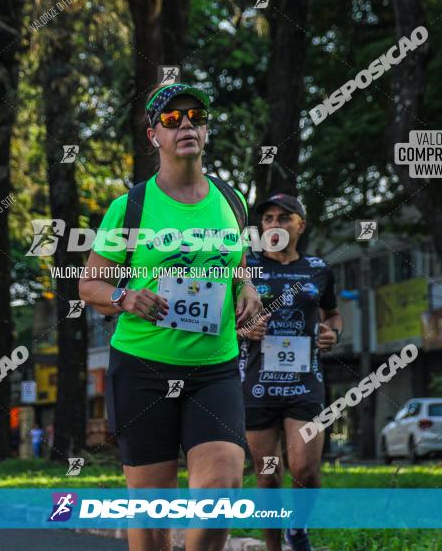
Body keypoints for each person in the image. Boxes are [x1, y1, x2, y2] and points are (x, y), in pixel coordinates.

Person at [79, 83, 262, 551]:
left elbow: (236, 262)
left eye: (195, 116)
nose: (185, 125)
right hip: (142, 367)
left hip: (214, 368)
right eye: (171, 119)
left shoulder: (232, 200)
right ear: (152, 135)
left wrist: (247, 288)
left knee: (222, 491)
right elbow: (90, 285)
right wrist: (126, 297)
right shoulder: (131, 208)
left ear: (206, 128)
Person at [238, 194, 343, 551]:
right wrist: (243, 331)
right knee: (268, 477)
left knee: (305, 471)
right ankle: (272, 547)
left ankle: (296, 529)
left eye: (284, 218)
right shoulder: (246, 267)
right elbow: (221, 323)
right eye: (267, 219)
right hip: (256, 384)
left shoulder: (318, 268)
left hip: (305, 383)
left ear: (301, 224)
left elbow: (332, 314)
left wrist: (333, 332)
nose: (274, 225)